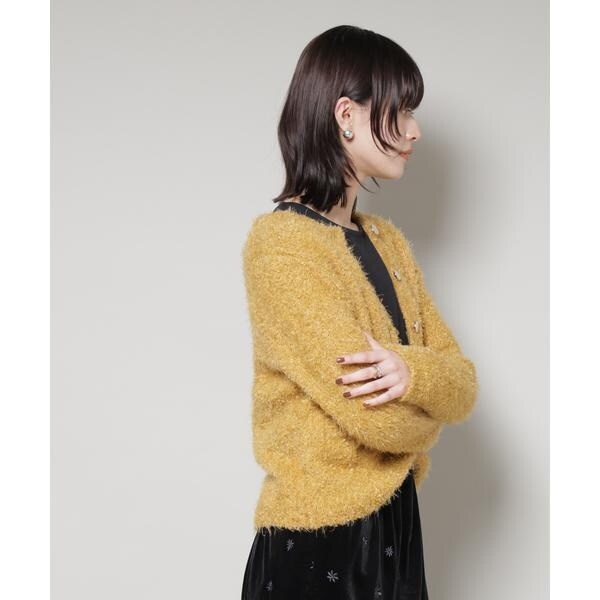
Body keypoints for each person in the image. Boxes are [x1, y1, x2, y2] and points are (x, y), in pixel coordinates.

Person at [240, 25, 479, 600]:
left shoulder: (389, 243)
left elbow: (463, 384)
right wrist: (428, 419)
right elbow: (376, 419)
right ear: (346, 115)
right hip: (319, 537)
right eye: (401, 110)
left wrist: (411, 374)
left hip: (396, 523)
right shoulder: (282, 247)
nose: (415, 131)